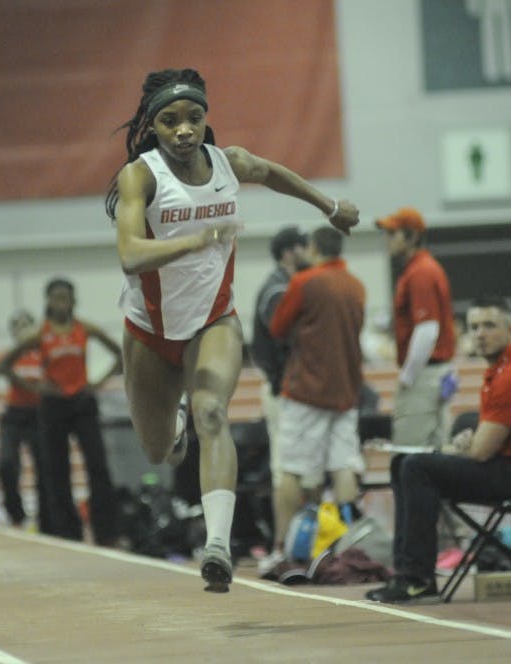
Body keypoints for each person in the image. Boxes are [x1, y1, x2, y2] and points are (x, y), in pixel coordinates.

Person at [104, 68, 359, 592]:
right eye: (170, 121)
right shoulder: (141, 177)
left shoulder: (228, 163)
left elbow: (274, 173)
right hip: (150, 331)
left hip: (213, 320)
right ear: (152, 126)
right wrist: (194, 240)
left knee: (213, 414)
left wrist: (330, 207)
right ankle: (174, 419)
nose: (183, 130)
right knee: (159, 451)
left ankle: (216, 545)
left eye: (193, 118)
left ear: (205, 119)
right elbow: (129, 254)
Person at [365, 297, 511, 603]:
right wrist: (469, 443)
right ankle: (405, 574)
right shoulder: (499, 370)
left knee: (416, 467)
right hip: (505, 467)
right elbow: (486, 442)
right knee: (401, 462)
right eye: (474, 327)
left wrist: (464, 447)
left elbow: (480, 453)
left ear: (510, 330)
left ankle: (418, 579)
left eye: (489, 326)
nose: (480, 334)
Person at [259, 225, 366, 574]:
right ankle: (349, 546)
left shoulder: (305, 282)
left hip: (306, 390)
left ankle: (282, 550)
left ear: (315, 249)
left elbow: (277, 326)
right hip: (346, 391)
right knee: (343, 465)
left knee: (291, 468)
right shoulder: (356, 285)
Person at [1, 278, 123, 545]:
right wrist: (35, 388)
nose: (61, 303)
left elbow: (119, 354)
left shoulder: (84, 328)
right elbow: (6, 365)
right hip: (53, 405)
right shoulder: (39, 334)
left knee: (98, 465)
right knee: (57, 471)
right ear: (48, 302)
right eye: (56, 298)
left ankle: (107, 532)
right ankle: (67, 533)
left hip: (82, 402)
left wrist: (97, 384)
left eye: (65, 298)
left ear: (73, 301)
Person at [376, 207, 457, 450]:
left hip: (424, 374)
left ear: (411, 237)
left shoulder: (420, 272)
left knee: (409, 452)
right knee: (435, 452)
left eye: (393, 234)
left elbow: (427, 329)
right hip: (433, 370)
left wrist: (408, 376)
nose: (387, 239)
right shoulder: (423, 268)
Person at [0, 309, 50, 532]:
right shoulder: (5, 356)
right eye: (18, 327)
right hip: (13, 416)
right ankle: (16, 514)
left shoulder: (44, 354)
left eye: (27, 326)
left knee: (44, 468)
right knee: (6, 463)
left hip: (39, 416)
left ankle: (47, 518)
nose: (23, 331)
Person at [251, 226, 310, 509]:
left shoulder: (288, 285)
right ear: (288, 253)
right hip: (282, 390)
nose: (309, 251)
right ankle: (285, 533)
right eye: (303, 246)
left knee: (296, 468)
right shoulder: (276, 290)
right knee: (286, 468)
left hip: (289, 389)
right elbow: (287, 339)